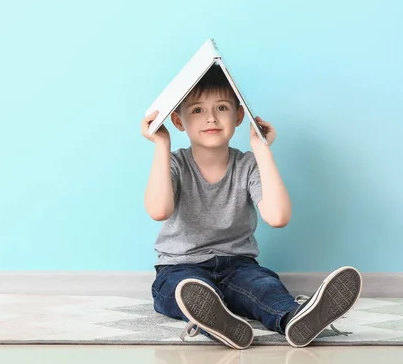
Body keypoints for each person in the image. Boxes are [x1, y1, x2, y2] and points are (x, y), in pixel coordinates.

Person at [140, 65, 362, 350]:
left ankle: (295, 318)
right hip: (180, 267)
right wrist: (161, 143)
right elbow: (159, 210)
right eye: (197, 110)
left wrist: (261, 149)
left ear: (239, 116)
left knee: (264, 288)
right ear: (178, 120)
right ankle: (219, 324)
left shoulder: (247, 166)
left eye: (221, 107)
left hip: (238, 266)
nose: (210, 118)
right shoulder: (174, 164)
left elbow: (278, 216)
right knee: (184, 292)